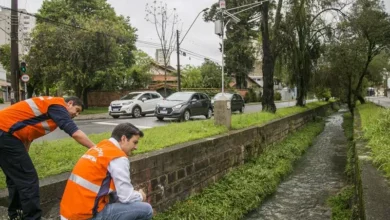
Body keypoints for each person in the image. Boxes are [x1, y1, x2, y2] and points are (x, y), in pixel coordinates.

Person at [0, 96, 96, 220]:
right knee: (28, 179)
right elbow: (75, 132)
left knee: (15, 177)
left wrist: (24, 154)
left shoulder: (49, 107)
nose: (76, 114)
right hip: (5, 134)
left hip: (6, 134)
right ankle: (32, 217)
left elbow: (28, 134)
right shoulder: (58, 106)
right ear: (70, 103)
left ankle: (15, 214)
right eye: (76, 110)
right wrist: (96, 149)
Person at [60, 123, 153, 220]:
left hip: (68, 214)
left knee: (115, 195)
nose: (136, 147)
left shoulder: (99, 148)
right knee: (146, 210)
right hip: (85, 216)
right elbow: (126, 196)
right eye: (135, 142)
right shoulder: (118, 157)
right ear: (124, 139)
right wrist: (140, 196)